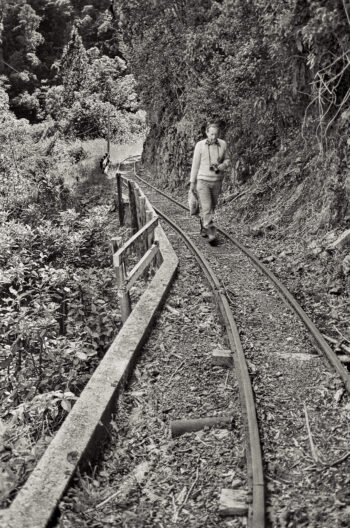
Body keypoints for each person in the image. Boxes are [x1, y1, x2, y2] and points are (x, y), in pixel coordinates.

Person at [189, 123, 230, 244]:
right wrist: (192, 182)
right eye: (211, 134)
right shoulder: (200, 145)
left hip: (217, 181)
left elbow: (227, 159)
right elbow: (195, 165)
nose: (213, 136)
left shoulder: (223, 144)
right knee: (207, 207)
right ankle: (212, 234)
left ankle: (204, 225)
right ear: (207, 133)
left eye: (216, 134)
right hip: (203, 181)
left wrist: (223, 165)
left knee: (211, 207)